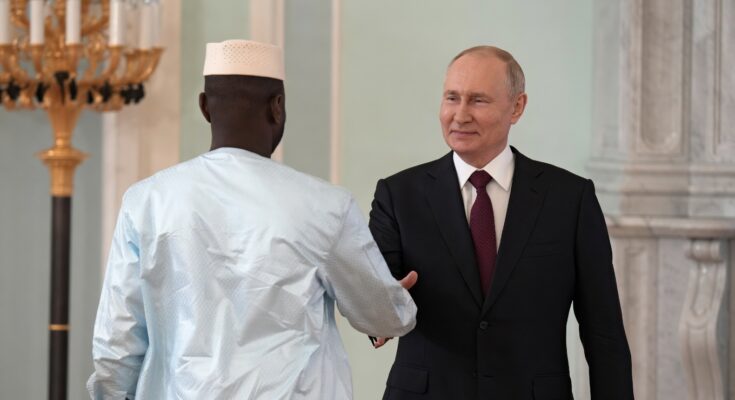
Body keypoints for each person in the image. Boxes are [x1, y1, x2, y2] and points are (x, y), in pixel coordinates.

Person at [87, 39, 417, 400]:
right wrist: (395, 302)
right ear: (277, 107)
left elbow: (116, 347)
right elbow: (382, 317)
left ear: (204, 107)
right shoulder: (325, 206)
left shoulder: (146, 201)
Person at [369, 46, 633, 399]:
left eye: (478, 100)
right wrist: (381, 312)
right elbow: (374, 300)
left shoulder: (570, 199)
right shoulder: (398, 195)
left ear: (517, 107)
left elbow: (604, 333)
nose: (460, 115)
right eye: (452, 98)